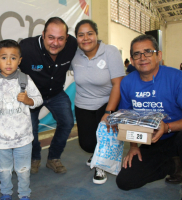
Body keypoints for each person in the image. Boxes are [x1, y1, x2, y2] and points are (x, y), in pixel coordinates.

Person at [116, 34, 182, 190]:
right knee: (125, 181)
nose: (142, 57)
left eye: (148, 52)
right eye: (137, 54)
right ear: (131, 61)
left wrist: (168, 127)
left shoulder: (177, 78)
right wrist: (133, 146)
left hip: (178, 135)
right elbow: (127, 118)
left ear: (158, 55)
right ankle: (175, 166)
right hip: (151, 140)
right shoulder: (127, 83)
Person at [0, 39, 43, 200]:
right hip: (0, 138)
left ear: (20, 60)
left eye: (13, 58)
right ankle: (6, 193)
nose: (8, 62)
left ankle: (24, 194)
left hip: (23, 137)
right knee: (4, 169)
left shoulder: (26, 80)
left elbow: (38, 99)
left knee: (23, 169)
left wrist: (29, 100)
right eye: (4, 57)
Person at [19, 17, 77, 174]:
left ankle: (53, 158)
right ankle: (34, 158)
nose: (55, 43)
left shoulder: (72, 45)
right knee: (30, 129)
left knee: (67, 122)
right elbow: (8, 66)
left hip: (56, 93)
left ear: (67, 38)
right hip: (32, 96)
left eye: (60, 38)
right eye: (51, 37)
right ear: (43, 34)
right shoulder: (26, 48)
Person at [71, 19, 125, 184]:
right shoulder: (74, 54)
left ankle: (101, 166)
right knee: (86, 144)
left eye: (90, 33)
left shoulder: (110, 51)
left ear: (96, 35)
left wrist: (109, 111)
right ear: (76, 38)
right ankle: (95, 154)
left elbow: (118, 83)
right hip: (83, 104)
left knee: (104, 139)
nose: (86, 38)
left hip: (107, 102)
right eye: (81, 35)